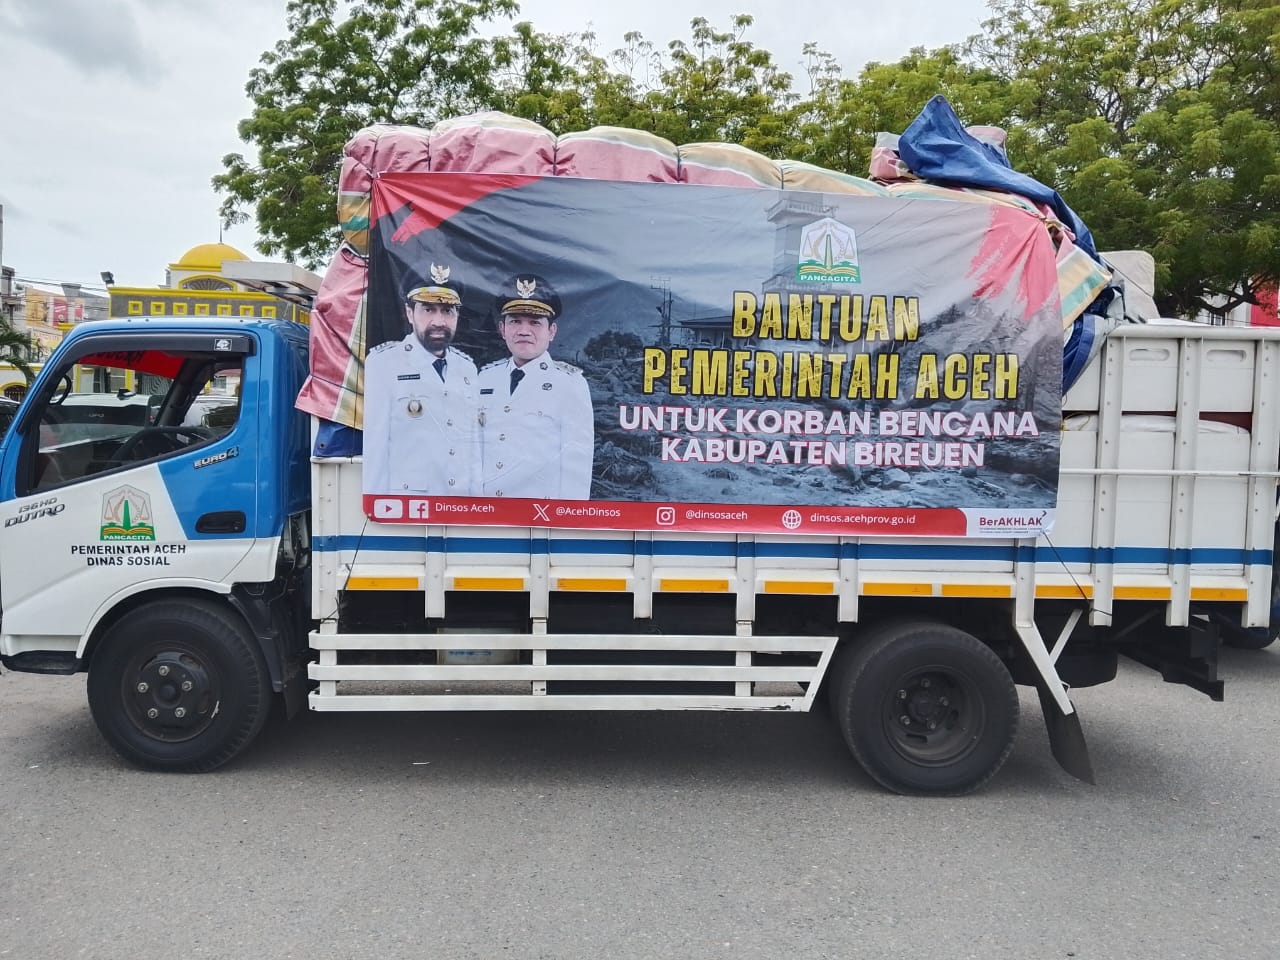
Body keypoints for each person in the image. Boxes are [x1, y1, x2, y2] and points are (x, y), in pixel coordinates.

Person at [362, 264, 481, 496]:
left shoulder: (467, 368)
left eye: (447, 311)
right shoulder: (384, 363)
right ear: (409, 313)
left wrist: (477, 502)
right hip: (410, 504)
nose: (438, 321)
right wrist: (377, 506)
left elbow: (473, 447)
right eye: (428, 309)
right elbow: (375, 447)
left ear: (457, 316)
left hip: (459, 503)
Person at [478, 275, 594, 499]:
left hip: (540, 512)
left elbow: (577, 464)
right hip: (487, 509)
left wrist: (567, 515)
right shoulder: (485, 378)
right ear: (502, 329)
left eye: (535, 322)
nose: (524, 331)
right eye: (515, 321)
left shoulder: (569, 383)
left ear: (551, 331)